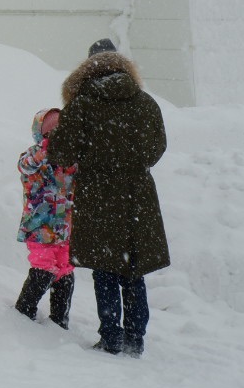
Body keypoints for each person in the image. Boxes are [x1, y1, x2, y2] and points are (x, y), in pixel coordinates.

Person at [49, 38, 169, 357]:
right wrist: (130, 164)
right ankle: (136, 336)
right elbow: (156, 148)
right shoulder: (145, 102)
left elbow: (61, 151)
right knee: (132, 267)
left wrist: (89, 156)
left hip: (97, 194)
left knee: (105, 267)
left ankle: (111, 335)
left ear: (89, 66)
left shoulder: (83, 104)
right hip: (136, 197)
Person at [13, 107, 75, 327]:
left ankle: (60, 318)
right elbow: (25, 166)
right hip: (40, 226)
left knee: (65, 268)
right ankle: (24, 310)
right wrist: (45, 148)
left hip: (65, 227)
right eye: (51, 133)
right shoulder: (33, 157)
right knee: (44, 266)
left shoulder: (69, 160)